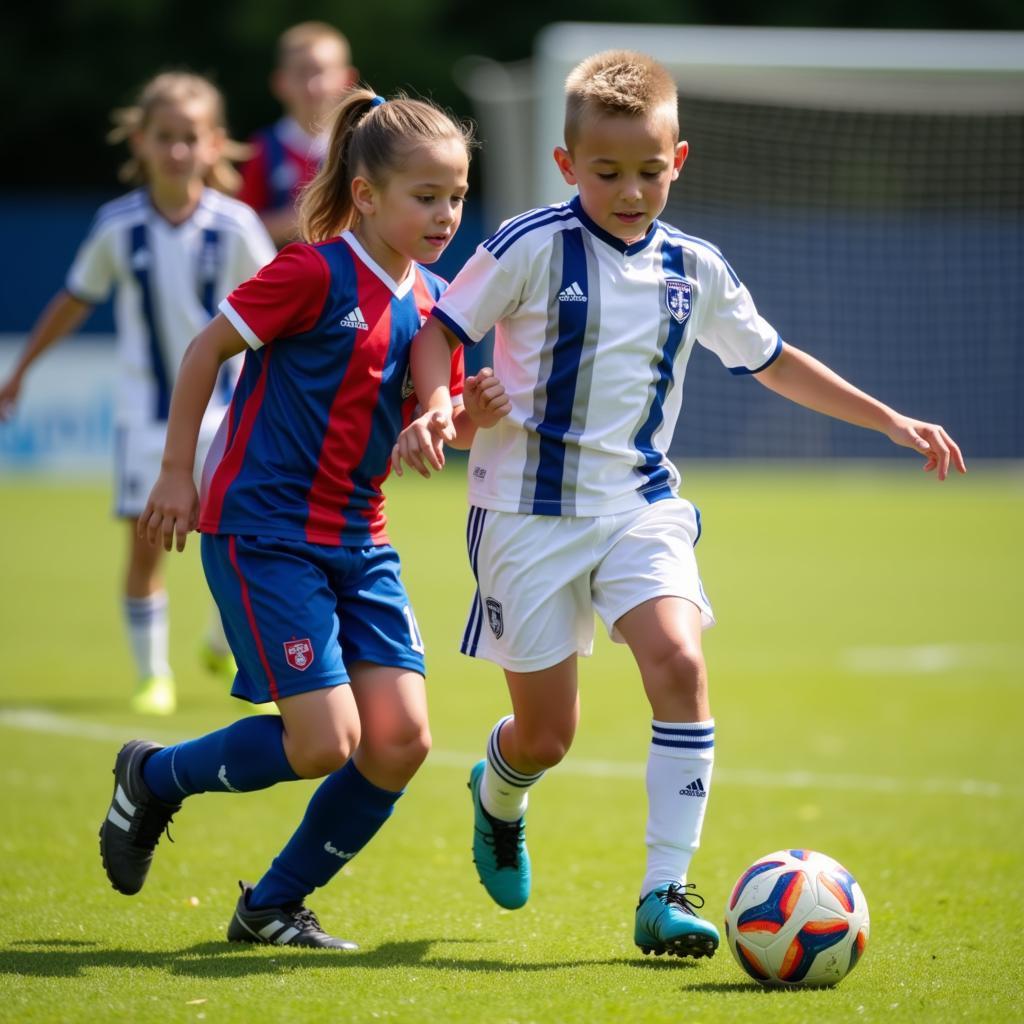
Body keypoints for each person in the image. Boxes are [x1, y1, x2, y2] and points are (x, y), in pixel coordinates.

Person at [394, 49, 966, 960]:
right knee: (548, 734)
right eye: (608, 172)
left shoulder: (695, 268)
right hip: (526, 517)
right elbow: (438, 332)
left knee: (680, 666)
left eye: (649, 172)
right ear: (566, 165)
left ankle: (664, 892)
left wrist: (888, 419)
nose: (630, 191)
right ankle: (500, 790)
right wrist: (438, 407)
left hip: (640, 508)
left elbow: (773, 360)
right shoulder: (528, 246)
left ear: (680, 161)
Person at [99, 89, 509, 949]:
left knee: (399, 741)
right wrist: (178, 473)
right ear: (365, 195)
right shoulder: (311, 271)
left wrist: (466, 413)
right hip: (267, 534)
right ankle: (154, 777)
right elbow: (204, 349)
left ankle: (271, 906)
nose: (446, 215)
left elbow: (439, 424)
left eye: (458, 197)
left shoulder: (437, 301)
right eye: (425, 196)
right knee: (325, 742)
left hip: (362, 542)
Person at [0, 72, 277, 716]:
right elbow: (75, 300)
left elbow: (275, 311)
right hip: (145, 418)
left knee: (247, 539)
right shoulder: (118, 225)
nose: (177, 151)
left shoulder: (235, 227)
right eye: (165, 138)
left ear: (213, 145)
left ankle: (227, 641)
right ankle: (153, 675)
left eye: (190, 138)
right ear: (141, 142)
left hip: (229, 413)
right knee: (146, 546)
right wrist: (22, 370)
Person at [238, 21, 358, 246]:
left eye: (321, 72)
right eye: (301, 73)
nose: (312, 85)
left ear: (347, 79)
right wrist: (304, 219)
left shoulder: (361, 147)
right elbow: (241, 228)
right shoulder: (263, 148)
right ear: (280, 82)